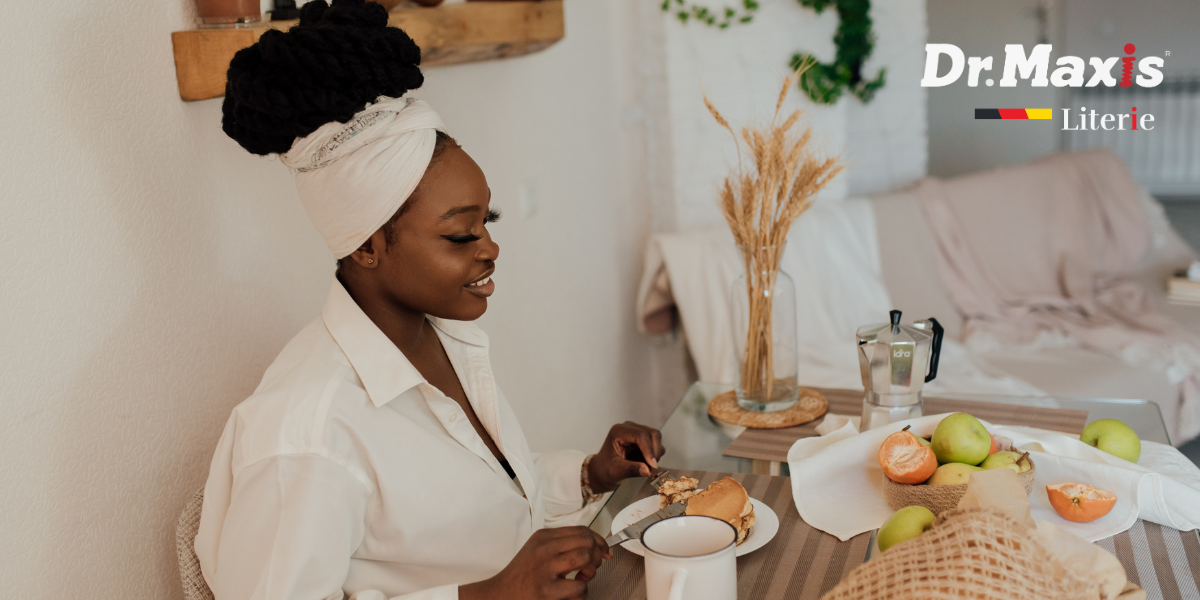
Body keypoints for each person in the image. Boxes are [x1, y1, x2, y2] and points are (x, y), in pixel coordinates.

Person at [193, 1, 665, 598]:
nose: (490, 248)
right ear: (368, 245)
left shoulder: (437, 335)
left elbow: (477, 514)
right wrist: (486, 596)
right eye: (461, 233)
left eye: (487, 221)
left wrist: (588, 474)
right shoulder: (306, 433)